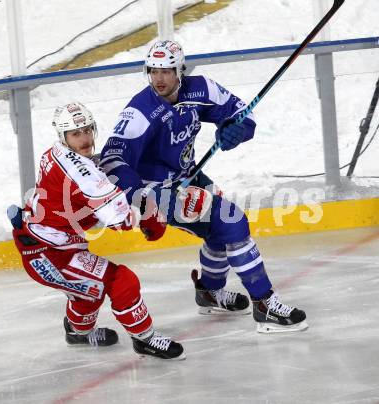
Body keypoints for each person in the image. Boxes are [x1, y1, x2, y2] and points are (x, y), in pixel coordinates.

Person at [100, 40, 308, 333]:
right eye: (153, 71)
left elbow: (240, 112)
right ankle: (264, 303)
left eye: (167, 71)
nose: (159, 78)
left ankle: (209, 290)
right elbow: (111, 161)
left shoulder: (200, 89)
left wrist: (234, 129)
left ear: (180, 70)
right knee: (232, 222)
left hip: (189, 178)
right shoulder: (140, 112)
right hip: (158, 190)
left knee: (219, 230)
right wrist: (146, 199)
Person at [7, 102, 185, 360]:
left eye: (88, 130)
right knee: (120, 280)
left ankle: (77, 332)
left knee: (89, 291)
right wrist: (149, 217)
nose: (86, 138)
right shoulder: (81, 172)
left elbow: (87, 198)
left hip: (45, 243)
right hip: (49, 254)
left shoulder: (54, 152)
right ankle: (144, 339)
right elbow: (117, 217)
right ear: (64, 137)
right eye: (76, 134)